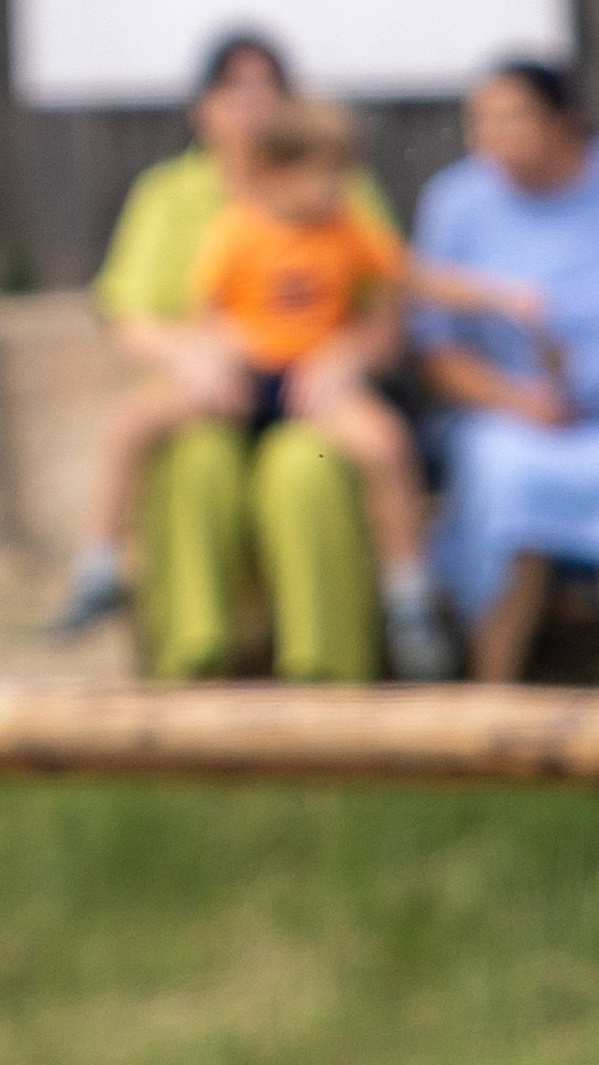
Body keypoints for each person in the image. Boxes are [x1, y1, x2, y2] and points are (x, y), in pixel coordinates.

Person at [55, 98, 527, 678]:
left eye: (341, 174)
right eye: (324, 175)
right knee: (134, 421)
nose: (337, 189)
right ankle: (99, 567)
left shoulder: (347, 232)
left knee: (385, 443)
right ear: (274, 173)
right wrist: (212, 357)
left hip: (313, 380)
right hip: (248, 375)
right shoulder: (236, 232)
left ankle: (407, 597)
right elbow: (208, 312)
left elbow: (410, 277)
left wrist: (498, 296)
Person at [74, 36, 393, 680]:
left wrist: (344, 358)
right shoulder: (168, 194)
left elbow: (387, 305)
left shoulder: (342, 185)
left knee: (306, 469)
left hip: (310, 401)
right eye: (233, 87)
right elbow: (126, 314)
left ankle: (327, 673)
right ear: (202, 107)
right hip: (208, 398)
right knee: (196, 463)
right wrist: (192, 352)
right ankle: (193, 662)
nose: (251, 103)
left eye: (266, 86)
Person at [414, 62, 599, 682]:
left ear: (564, 121)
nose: (491, 137)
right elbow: (439, 354)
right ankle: (492, 700)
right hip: (508, 417)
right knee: (508, 481)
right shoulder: (456, 201)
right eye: (480, 121)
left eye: (511, 118)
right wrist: (521, 401)